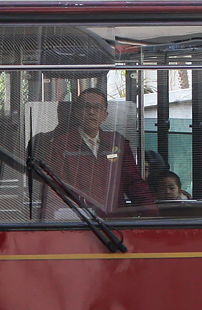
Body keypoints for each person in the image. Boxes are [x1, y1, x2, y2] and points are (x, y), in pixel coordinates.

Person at [35, 88, 156, 217]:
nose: (91, 112)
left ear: (105, 115)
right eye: (86, 107)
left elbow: (134, 184)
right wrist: (50, 224)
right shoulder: (59, 146)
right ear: (76, 112)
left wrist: (155, 218)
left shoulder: (117, 143)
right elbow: (53, 190)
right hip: (80, 223)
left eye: (97, 108)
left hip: (116, 225)